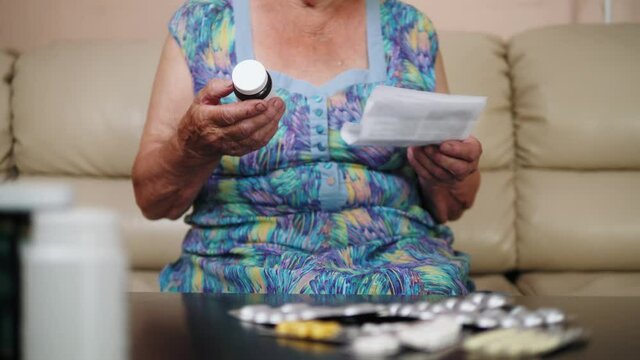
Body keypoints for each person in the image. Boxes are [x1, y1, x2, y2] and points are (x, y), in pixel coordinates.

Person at [132, 0, 482, 295]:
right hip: (242, 262)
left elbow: (452, 204)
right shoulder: (201, 26)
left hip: (401, 257)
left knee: (433, 290)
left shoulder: (411, 30)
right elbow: (153, 199)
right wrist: (193, 145)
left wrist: (447, 170)